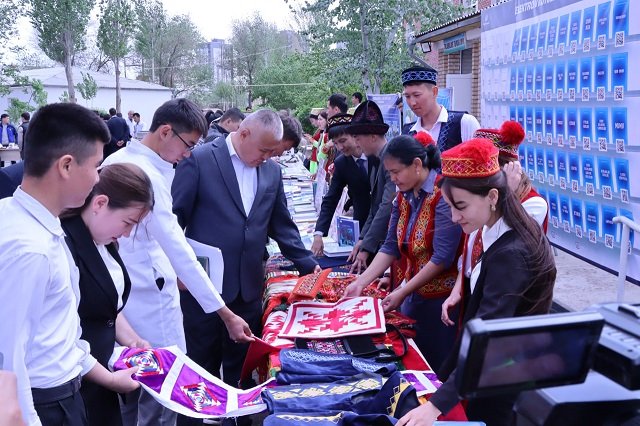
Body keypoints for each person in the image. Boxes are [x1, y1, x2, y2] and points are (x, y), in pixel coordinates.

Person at [101, 98, 252, 426]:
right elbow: (177, 249)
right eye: (188, 144)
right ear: (166, 132)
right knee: (161, 392)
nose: (188, 154)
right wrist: (225, 313)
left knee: (132, 389)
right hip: (148, 297)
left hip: (127, 295)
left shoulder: (122, 160)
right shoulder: (145, 174)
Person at [172, 109, 320, 425]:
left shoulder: (271, 172)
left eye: (272, 152)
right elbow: (174, 220)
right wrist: (176, 270)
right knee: (199, 369)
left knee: (239, 372)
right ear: (243, 134)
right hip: (204, 289)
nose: (267, 157)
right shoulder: (200, 159)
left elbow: (282, 226)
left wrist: (310, 266)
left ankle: (235, 420)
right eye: (264, 150)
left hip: (247, 288)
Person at [396, 138, 556, 426]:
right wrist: (442, 379)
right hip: (493, 370)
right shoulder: (500, 229)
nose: (454, 218)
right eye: (450, 206)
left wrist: (436, 406)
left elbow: (490, 336)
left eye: (461, 206)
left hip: (504, 378)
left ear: (492, 196)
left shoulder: (512, 252)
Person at [0, 103, 140, 426]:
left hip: (63, 395)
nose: (97, 178)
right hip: (44, 406)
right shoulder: (31, 249)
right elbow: (8, 365)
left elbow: (61, 335)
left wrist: (108, 377)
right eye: (96, 166)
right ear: (66, 166)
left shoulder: (27, 220)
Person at [343, 133, 463, 372]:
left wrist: (402, 291)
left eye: (396, 172)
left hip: (441, 302)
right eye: (389, 173)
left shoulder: (442, 195)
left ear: (417, 164)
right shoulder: (403, 197)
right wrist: (361, 282)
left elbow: (442, 257)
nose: (393, 179)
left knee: (437, 367)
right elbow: (390, 246)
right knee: (413, 364)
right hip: (412, 296)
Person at [60, 163, 154, 426]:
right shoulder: (64, 246)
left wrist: (133, 340)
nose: (127, 234)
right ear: (100, 203)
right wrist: (110, 379)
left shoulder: (102, 238)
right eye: (127, 222)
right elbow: (66, 336)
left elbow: (106, 306)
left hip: (101, 376)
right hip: (77, 383)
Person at [441, 121, 549, 328]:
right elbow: (470, 249)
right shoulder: (478, 208)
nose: (454, 217)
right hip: (475, 286)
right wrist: (457, 290)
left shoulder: (533, 203)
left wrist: (505, 192)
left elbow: (504, 247)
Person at [311, 113, 372, 256]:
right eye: (335, 143)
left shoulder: (375, 155)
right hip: (362, 224)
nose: (340, 147)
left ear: (355, 136)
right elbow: (331, 199)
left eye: (343, 141)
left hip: (384, 223)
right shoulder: (342, 163)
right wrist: (319, 233)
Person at [346, 100, 396, 273]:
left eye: (358, 138)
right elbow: (374, 207)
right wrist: (362, 239)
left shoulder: (391, 160)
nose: (356, 144)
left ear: (373, 136)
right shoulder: (375, 160)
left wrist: (367, 247)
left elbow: (386, 207)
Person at [401, 65, 480, 152]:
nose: (412, 103)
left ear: (434, 92)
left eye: (417, 95)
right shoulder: (407, 132)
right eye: (407, 96)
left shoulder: (464, 123)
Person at [307, 110, 328, 175]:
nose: (318, 122)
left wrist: (312, 140)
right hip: (317, 158)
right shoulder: (323, 132)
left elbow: (321, 151)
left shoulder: (326, 134)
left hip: (323, 163)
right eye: (318, 119)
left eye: (320, 119)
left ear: (327, 120)